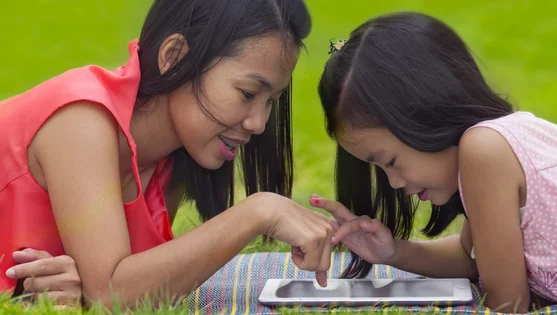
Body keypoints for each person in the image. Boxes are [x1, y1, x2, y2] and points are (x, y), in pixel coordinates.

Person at [1, 0, 336, 308]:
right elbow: (112, 293)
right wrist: (259, 212)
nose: (259, 123)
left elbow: (131, 290)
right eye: (247, 93)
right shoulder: (82, 120)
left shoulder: (173, 158)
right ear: (175, 56)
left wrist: (84, 291)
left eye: (270, 102)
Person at [313, 11, 557, 313]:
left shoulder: (485, 149)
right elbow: (470, 257)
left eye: (391, 161)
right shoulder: (495, 145)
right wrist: (390, 251)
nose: (394, 182)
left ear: (426, 113)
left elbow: (507, 304)